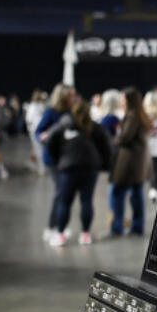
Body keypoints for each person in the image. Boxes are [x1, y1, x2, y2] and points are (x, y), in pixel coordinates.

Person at [44, 98, 112, 246]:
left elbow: (49, 140)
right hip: (90, 169)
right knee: (86, 201)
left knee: (65, 202)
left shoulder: (63, 124)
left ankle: (60, 235)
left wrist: (58, 159)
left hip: (68, 170)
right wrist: (104, 165)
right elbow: (107, 146)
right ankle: (85, 235)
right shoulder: (94, 126)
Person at [35, 83, 74, 243]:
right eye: (71, 95)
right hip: (53, 159)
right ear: (63, 96)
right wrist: (46, 137)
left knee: (64, 194)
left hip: (66, 158)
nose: (74, 98)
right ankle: (51, 228)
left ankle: (59, 226)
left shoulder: (70, 112)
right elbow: (38, 132)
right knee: (59, 193)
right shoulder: (51, 112)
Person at [109, 87, 150, 237]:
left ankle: (117, 227)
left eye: (122, 98)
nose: (121, 101)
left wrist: (113, 139)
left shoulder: (132, 116)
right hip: (136, 162)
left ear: (128, 100)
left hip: (128, 162)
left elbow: (125, 137)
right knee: (136, 195)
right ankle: (136, 227)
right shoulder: (138, 114)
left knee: (117, 193)